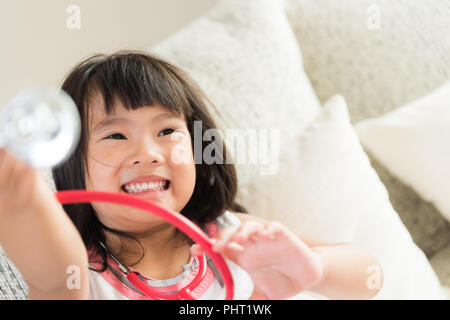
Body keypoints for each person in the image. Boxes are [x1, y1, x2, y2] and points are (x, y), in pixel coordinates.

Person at [0, 51, 383, 300]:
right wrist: (21, 197)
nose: (147, 154)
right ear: (71, 166)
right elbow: (50, 274)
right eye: (116, 135)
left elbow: (369, 275)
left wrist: (313, 271)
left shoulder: (232, 235)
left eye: (166, 132)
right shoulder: (78, 278)